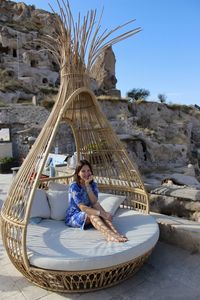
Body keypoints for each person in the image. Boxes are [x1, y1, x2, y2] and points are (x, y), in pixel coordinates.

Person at [65, 159, 128, 242]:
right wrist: (100, 213)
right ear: (78, 173)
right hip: (75, 216)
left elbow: (94, 202)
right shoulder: (74, 187)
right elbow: (82, 208)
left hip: (89, 212)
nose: (86, 173)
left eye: (88, 170)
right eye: (83, 171)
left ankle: (116, 233)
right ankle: (109, 235)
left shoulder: (92, 184)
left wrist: (87, 185)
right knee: (94, 214)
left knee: (100, 212)